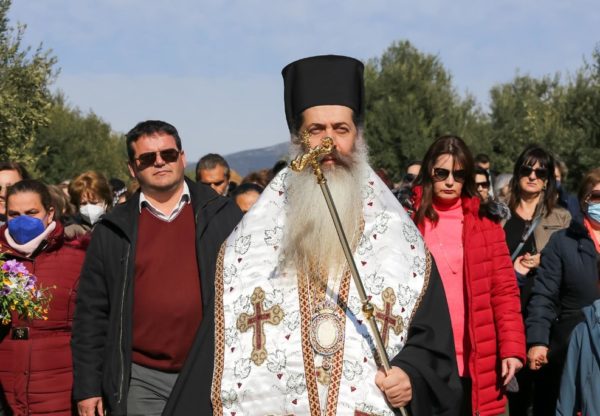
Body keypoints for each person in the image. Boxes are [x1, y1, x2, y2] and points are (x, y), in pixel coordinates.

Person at [164, 55, 461, 416]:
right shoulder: (250, 244)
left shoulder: (400, 241)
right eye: (316, 130)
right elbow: (218, 355)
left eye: (341, 129)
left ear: (358, 136)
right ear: (297, 140)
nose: (328, 142)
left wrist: (410, 375)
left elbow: (432, 346)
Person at [71, 120, 242, 416]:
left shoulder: (222, 214)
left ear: (182, 158)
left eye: (168, 154)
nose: (160, 162)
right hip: (140, 378)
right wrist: (88, 387)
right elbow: (91, 313)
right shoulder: (113, 228)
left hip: (211, 370)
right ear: (132, 168)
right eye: (148, 158)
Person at [411, 135, 525, 415]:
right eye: (442, 173)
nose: (450, 181)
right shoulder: (409, 220)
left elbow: (504, 291)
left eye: (459, 175)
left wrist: (511, 349)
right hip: (423, 356)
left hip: (476, 359)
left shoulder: (486, 223)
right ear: (429, 172)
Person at [0, 179, 86, 415]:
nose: (22, 221)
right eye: (14, 214)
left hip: (59, 390)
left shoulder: (77, 257)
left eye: (31, 213)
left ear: (49, 213)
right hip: (7, 391)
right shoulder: (2, 256)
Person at [525, 168, 600, 415]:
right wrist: (538, 341)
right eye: (597, 196)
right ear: (584, 201)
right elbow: (544, 295)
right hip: (572, 347)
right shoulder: (563, 242)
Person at [503, 145, 571, 415]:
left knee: (545, 395)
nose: (532, 176)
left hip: (546, 320)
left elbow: (571, 266)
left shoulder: (561, 218)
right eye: (526, 170)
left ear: (547, 180)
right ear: (517, 172)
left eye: (540, 172)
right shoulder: (498, 215)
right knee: (512, 396)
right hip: (508, 316)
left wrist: (547, 260)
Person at [65, 171, 113, 239]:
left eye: (94, 203)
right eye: (83, 203)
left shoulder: (116, 228)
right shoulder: (70, 230)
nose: (89, 207)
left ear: (106, 203)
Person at [554, 159, 581, 223]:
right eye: (549, 176)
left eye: (555, 177)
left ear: (561, 178)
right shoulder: (536, 199)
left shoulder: (572, 202)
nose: (552, 180)